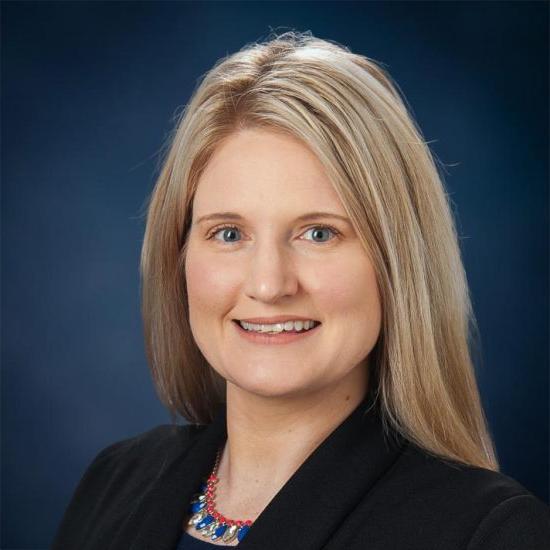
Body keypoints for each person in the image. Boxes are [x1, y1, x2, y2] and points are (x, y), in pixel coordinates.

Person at [51, 30, 549, 550]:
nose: (269, 285)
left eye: (319, 233)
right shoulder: (114, 483)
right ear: (177, 257)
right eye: (229, 233)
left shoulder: (491, 533)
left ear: (396, 263)